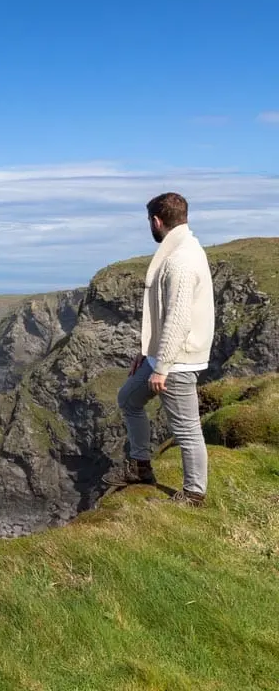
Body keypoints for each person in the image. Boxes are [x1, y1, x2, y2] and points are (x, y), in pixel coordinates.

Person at [104, 192, 215, 506]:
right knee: (128, 397)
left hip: (176, 363)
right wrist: (148, 352)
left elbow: (178, 319)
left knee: (187, 429)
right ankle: (140, 467)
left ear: (156, 221)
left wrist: (163, 366)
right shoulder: (181, 250)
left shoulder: (181, 261)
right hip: (162, 357)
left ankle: (194, 494)